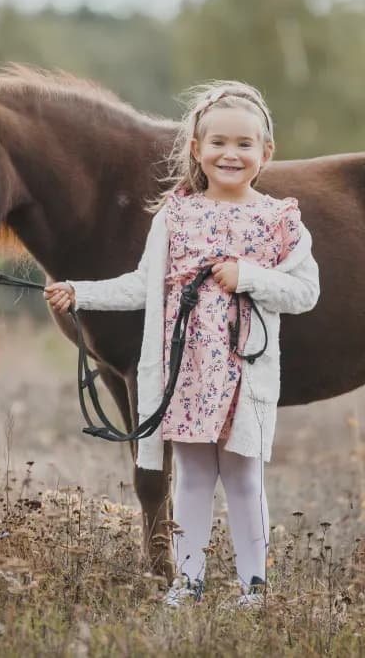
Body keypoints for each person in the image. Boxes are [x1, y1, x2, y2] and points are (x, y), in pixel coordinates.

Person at [44, 81, 321, 608]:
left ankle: (253, 588)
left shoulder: (280, 221)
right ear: (197, 149)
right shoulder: (175, 216)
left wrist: (249, 276)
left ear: (266, 152)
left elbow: (306, 292)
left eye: (244, 144)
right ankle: (186, 583)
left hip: (243, 375)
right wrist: (81, 293)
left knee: (243, 479)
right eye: (218, 142)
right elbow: (140, 285)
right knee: (191, 477)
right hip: (187, 373)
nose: (230, 154)